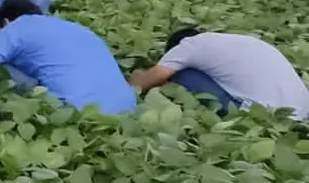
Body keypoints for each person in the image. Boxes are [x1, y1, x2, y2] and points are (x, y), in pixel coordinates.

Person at [0, 0, 136, 114]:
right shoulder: (76, 28)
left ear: (5, 22)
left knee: (5, 68)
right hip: (129, 110)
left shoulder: (16, 28)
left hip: (75, 112)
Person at [131, 28, 309, 119]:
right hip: (301, 112)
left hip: (263, 116)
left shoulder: (190, 45)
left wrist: (136, 82)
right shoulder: (240, 41)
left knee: (181, 74)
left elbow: (159, 74)